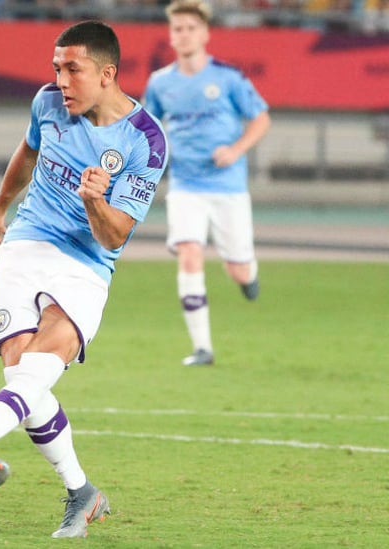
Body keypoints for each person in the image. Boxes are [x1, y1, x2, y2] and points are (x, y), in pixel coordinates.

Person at [0, 21, 168, 539]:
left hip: (85, 264)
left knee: (39, 366)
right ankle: (82, 493)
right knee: (22, 378)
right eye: (56, 68)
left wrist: (94, 201)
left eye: (72, 69)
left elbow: (114, 236)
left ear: (107, 74)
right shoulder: (47, 103)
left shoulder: (145, 140)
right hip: (26, 243)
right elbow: (29, 151)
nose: (60, 79)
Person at [142, 0, 270, 367]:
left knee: (237, 268)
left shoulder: (227, 78)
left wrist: (236, 149)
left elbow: (261, 118)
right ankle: (202, 348)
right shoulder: (160, 82)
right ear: (170, 36)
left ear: (205, 33)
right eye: (178, 29)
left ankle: (247, 274)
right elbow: (149, 127)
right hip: (185, 185)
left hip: (228, 188)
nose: (184, 34)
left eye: (190, 28)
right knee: (189, 251)